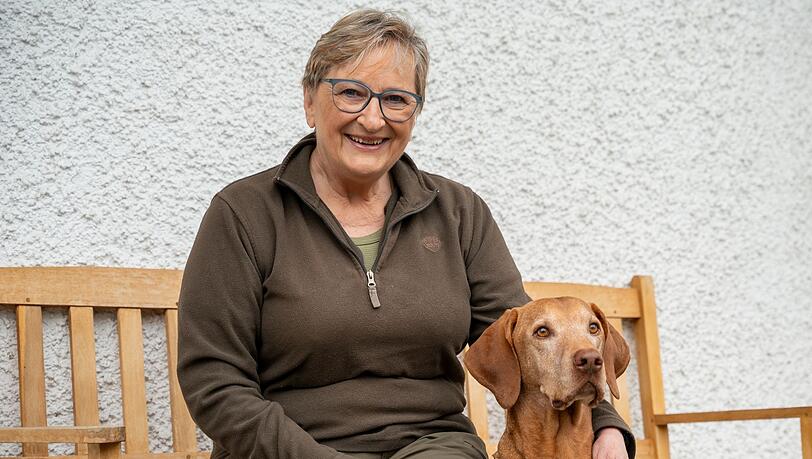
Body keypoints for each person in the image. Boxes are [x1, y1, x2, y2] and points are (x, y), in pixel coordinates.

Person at [177, 9, 634, 459]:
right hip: (289, 448)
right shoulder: (243, 215)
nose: (373, 120)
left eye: (396, 100)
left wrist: (605, 426)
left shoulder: (459, 214)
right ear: (309, 101)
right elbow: (214, 380)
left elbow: (523, 340)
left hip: (433, 447)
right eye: (351, 93)